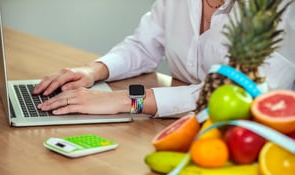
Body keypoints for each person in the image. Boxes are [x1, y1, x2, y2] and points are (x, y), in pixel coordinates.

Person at [33, 0, 295, 118]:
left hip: (250, 132)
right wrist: (93, 71)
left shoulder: (281, 10)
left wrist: (127, 101)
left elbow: (241, 92)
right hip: (181, 127)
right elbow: (144, 46)